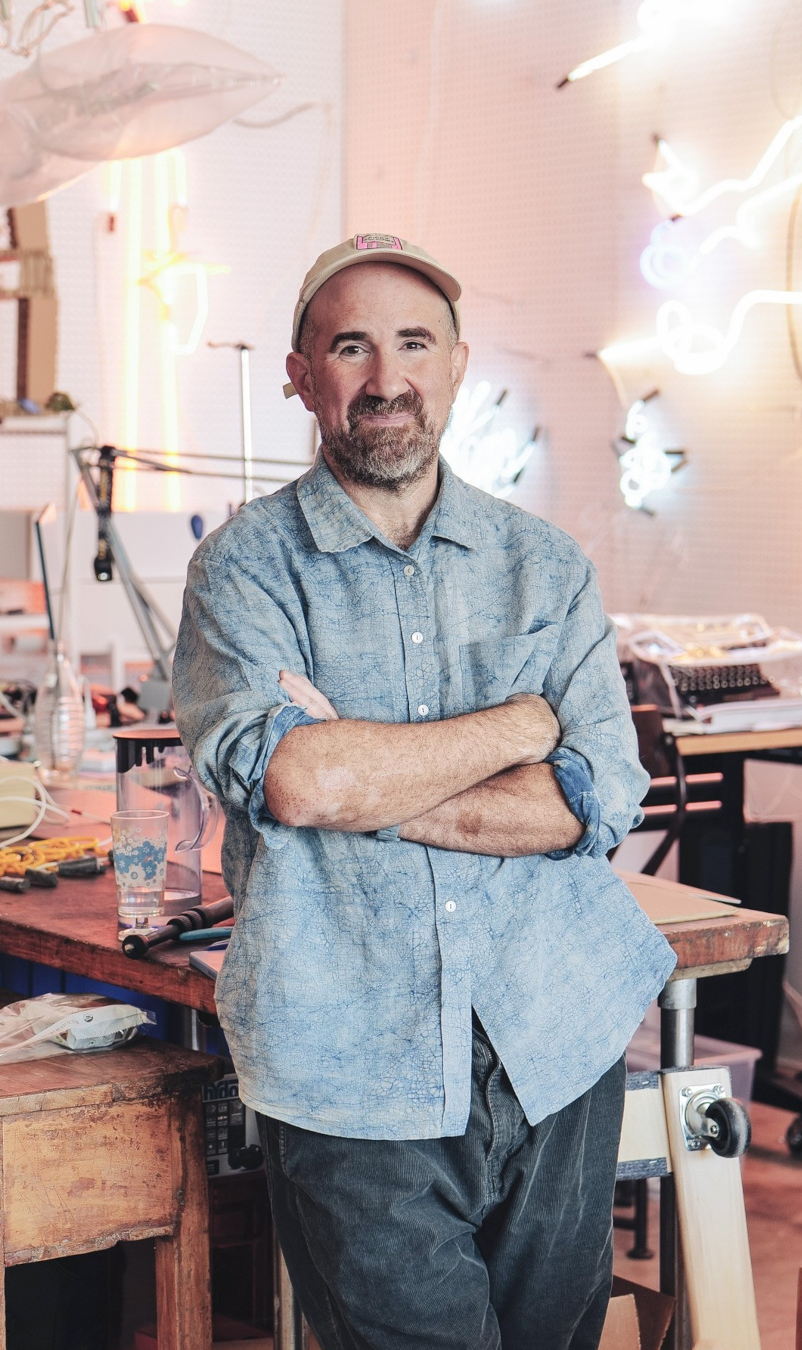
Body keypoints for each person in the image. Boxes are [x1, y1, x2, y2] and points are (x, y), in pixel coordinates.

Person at [172, 232, 676, 1350]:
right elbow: (300, 781)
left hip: (555, 1031)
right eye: (350, 347)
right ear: (301, 377)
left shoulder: (546, 566)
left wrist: (365, 778)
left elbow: (593, 798)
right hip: (350, 1058)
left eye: (413, 344)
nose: (386, 377)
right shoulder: (243, 570)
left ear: (455, 365)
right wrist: (521, 726)